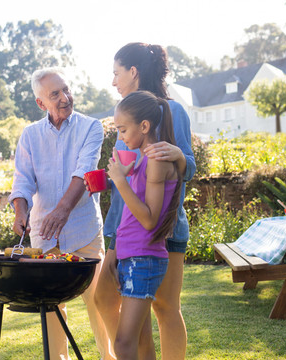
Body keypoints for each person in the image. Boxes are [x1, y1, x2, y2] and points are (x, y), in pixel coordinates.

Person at [94, 42, 196, 360]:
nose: (113, 81)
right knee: (104, 298)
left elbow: (188, 169)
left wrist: (179, 155)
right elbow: (126, 183)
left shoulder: (170, 111)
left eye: (116, 73)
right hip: (125, 231)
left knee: (165, 307)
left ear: (133, 72)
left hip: (162, 230)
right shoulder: (128, 118)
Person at [9, 67, 115, 360]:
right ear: (41, 103)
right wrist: (20, 210)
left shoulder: (91, 127)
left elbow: (85, 169)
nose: (65, 97)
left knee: (100, 301)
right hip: (46, 234)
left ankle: (111, 357)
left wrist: (62, 210)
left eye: (66, 90)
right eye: (55, 94)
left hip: (83, 228)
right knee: (52, 306)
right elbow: (23, 180)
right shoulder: (30, 135)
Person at [108, 90, 183, 359]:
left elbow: (149, 219)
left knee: (123, 344)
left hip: (144, 259)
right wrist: (118, 254)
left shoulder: (155, 160)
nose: (122, 136)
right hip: (133, 257)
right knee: (139, 342)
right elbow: (129, 217)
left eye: (123, 129)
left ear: (144, 126)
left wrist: (119, 181)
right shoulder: (143, 160)